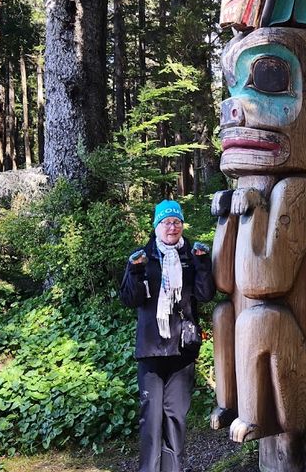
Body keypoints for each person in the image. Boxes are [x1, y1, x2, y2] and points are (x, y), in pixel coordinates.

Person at [120, 200, 215, 472]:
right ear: (156, 226)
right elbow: (130, 299)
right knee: (151, 418)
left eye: (176, 222)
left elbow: (205, 295)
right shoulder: (143, 257)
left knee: (175, 418)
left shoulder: (191, 255)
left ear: (182, 225)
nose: (172, 227)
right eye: (166, 222)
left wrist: (202, 264)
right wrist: (135, 271)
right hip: (151, 350)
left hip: (182, 351)